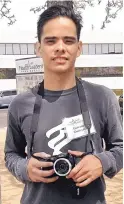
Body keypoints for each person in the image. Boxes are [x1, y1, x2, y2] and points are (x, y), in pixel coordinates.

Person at [4, 5, 123, 204]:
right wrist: (25, 168)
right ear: (39, 48)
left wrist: (101, 161)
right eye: (51, 41)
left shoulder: (102, 97)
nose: (60, 47)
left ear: (79, 48)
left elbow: (120, 147)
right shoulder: (20, 104)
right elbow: (11, 155)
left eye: (68, 40)